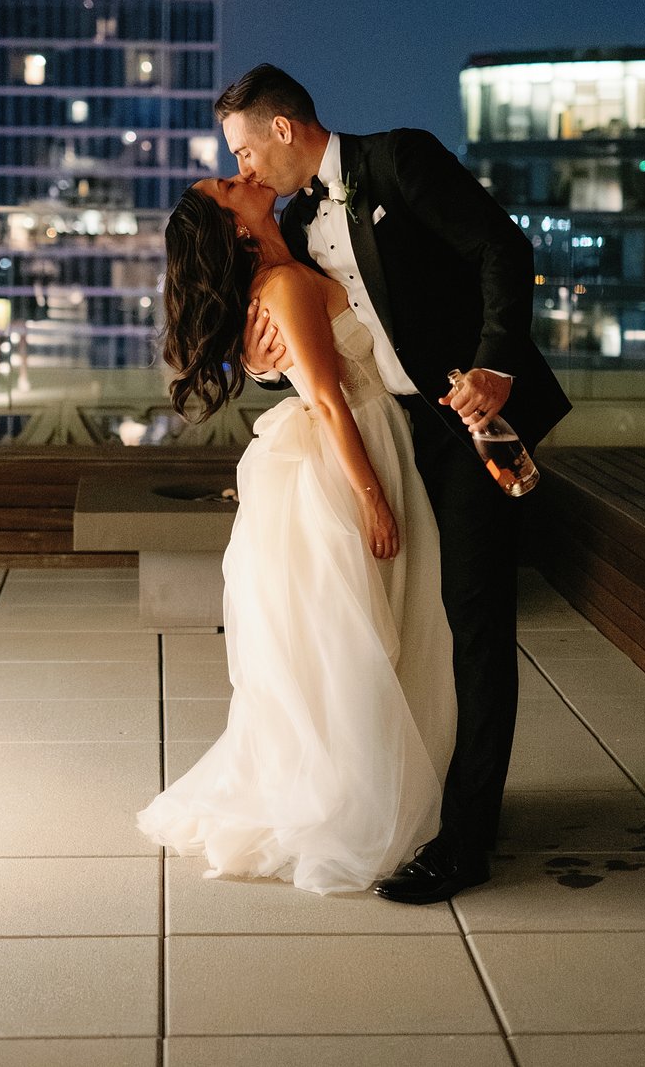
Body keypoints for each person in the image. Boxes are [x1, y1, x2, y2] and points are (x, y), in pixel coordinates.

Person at [218, 63, 571, 904]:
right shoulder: (297, 222)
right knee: (408, 624)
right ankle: (417, 793)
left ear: (282, 128)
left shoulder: (399, 160)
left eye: (242, 148)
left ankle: (468, 839)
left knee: (475, 616)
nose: (244, 169)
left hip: (467, 425)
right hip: (391, 437)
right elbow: (318, 337)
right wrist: (267, 372)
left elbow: (501, 247)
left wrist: (494, 364)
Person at [135, 173, 457, 895]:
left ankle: (364, 785)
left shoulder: (291, 259)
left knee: (348, 637)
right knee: (353, 640)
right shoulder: (280, 283)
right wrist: (374, 499)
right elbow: (333, 401)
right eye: (227, 184)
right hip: (349, 456)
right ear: (234, 229)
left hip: (344, 447)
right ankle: (353, 800)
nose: (241, 174)